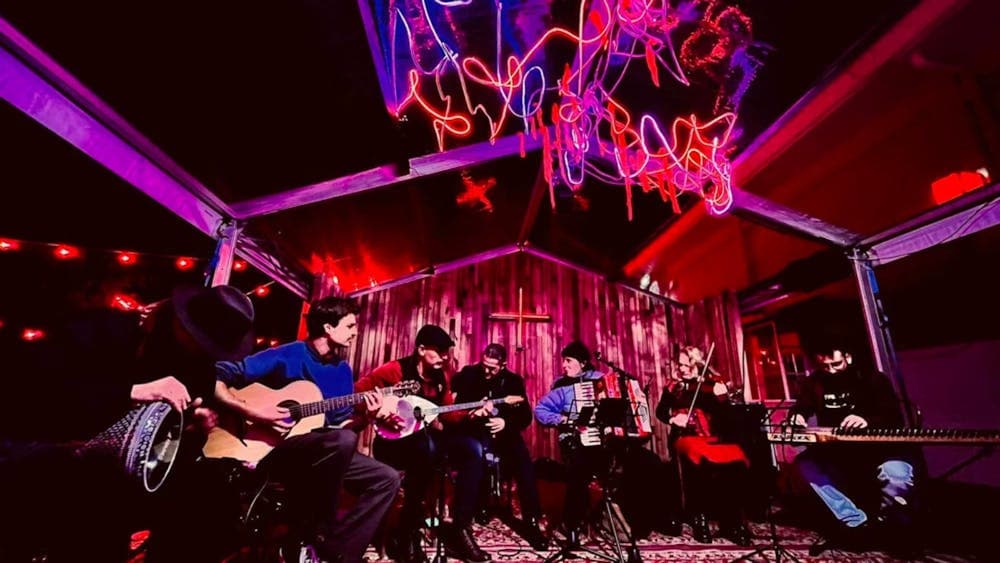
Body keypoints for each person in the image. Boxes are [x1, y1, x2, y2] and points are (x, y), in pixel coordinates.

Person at [0, 284, 254, 562]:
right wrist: (132, 391)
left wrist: (192, 431)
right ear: (180, 321)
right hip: (50, 463)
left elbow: (170, 450)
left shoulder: (200, 366)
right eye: (199, 340)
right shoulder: (104, 329)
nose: (202, 351)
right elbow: (36, 391)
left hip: (112, 489)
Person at [214, 296, 401, 563]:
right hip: (275, 450)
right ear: (328, 327)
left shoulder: (342, 371)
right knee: (342, 441)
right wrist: (253, 411)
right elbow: (220, 374)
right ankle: (320, 534)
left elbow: (342, 427)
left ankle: (337, 553)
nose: (355, 332)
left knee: (387, 478)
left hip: (322, 452)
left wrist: (367, 418)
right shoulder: (288, 354)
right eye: (350, 326)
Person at [356, 324, 492, 563]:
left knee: (473, 449)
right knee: (426, 447)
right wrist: (380, 411)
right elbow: (358, 393)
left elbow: (446, 415)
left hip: (426, 442)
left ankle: (459, 528)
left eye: (446, 352)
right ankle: (407, 533)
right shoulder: (394, 370)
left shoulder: (441, 377)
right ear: (420, 349)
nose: (444, 357)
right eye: (439, 351)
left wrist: (472, 412)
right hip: (393, 444)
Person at [535, 341, 681, 546]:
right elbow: (540, 410)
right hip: (579, 440)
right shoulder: (562, 387)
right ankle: (572, 525)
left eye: (569, 361)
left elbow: (625, 406)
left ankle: (646, 521)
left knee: (649, 461)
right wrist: (564, 420)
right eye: (564, 361)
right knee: (580, 468)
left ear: (583, 363)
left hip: (611, 440)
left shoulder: (605, 380)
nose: (564, 366)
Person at [787, 341, 918, 551]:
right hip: (838, 451)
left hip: (879, 451)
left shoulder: (871, 378)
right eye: (825, 366)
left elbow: (894, 416)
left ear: (848, 356)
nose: (830, 370)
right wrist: (796, 417)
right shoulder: (816, 382)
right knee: (806, 465)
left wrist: (866, 420)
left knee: (897, 475)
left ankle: (888, 526)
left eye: (836, 364)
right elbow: (801, 407)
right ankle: (855, 522)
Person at [450, 343, 548, 550]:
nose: (487, 371)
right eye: (484, 365)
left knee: (524, 465)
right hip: (472, 430)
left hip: (504, 434)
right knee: (473, 454)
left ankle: (531, 522)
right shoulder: (469, 373)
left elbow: (525, 416)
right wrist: (471, 412)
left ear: (503, 365)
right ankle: (469, 517)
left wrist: (505, 423)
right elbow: (451, 398)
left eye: (492, 368)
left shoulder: (513, 381)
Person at [655, 345, 752, 546]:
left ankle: (733, 521)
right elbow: (661, 412)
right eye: (679, 364)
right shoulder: (675, 386)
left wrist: (723, 398)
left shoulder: (713, 384)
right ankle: (699, 518)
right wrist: (674, 419)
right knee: (696, 459)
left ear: (697, 364)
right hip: (685, 437)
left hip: (713, 438)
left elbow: (728, 419)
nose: (681, 369)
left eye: (685, 364)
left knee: (736, 459)